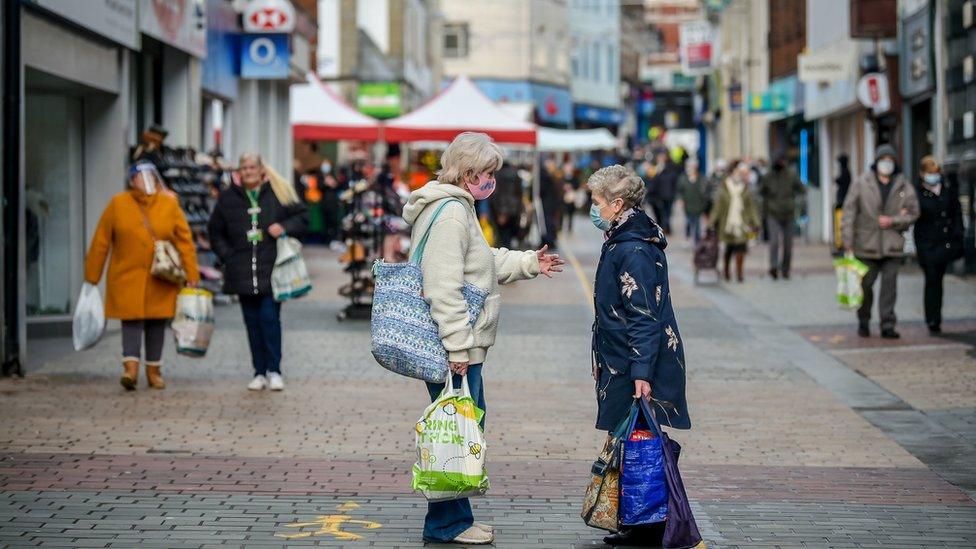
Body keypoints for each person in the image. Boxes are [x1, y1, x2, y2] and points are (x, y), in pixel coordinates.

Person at [402, 132, 565, 545]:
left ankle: (457, 518)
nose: (492, 180)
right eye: (488, 173)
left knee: (459, 427)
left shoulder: (455, 207)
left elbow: (480, 260)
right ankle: (447, 524)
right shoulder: (452, 213)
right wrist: (458, 345)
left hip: (458, 344)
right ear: (469, 171)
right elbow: (443, 285)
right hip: (455, 345)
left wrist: (529, 262)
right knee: (456, 430)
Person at [587, 165, 690, 547]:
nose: (592, 208)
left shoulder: (633, 248)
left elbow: (643, 314)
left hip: (634, 361)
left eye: (597, 201)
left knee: (640, 439)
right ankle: (638, 518)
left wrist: (641, 372)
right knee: (632, 437)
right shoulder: (622, 237)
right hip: (621, 358)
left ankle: (649, 522)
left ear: (616, 204)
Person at [84, 161, 200, 390]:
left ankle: (154, 371)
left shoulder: (169, 203)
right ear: (131, 180)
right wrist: (92, 277)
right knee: (131, 321)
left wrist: (192, 274)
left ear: (157, 179)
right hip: (126, 275)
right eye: (140, 176)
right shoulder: (118, 204)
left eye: (150, 176)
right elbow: (101, 240)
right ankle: (131, 369)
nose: (145, 181)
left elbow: (184, 240)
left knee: (157, 323)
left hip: (161, 276)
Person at [208, 153, 308, 391]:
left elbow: (303, 217)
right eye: (244, 167)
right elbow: (214, 231)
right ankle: (259, 371)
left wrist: (284, 227)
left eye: (252, 166)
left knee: (269, 319)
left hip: (271, 270)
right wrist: (227, 256)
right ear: (239, 171)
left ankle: (274, 370)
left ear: (262, 169)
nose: (248, 171)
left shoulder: (277, 192)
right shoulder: (228, 198)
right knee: (251, 323)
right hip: (240, 270)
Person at [841, 144, 919, 339]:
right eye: (883, 160)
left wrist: (894, 220)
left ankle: (888, 324)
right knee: (866, 286)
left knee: (889, 288)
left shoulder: (903, 185)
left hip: (892, 245)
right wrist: (847, 241)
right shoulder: (861, 182)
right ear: (876, 162)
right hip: (866, 244)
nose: (886, 164)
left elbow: (914, 211)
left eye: (890, 161)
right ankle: (864, 320)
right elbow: (849, 212)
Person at [912, 156, 964, 334]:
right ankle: (932, 318)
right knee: (932, 279)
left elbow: (956, 212)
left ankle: (936, 316)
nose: (933, 176)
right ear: (922, 174)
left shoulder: (947, 190)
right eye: (929, 173)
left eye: (935, 173)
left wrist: (958, 236)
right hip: (927, 245)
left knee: (938, 280)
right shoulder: (917, 193)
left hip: (944, 243)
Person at [709, 160, 760, 282]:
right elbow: (718, 207)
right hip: (726, 225)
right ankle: (726, 270)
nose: (740, 175)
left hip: (742, 224)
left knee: (741, 249)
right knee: (728, 250)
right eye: (737, 172)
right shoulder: (724, 188)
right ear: (732, 173)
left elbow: (751, 207)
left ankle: (740, 273)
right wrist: (711, 223)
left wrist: (756, 222)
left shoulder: (745, 189)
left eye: (741, 173)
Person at [760, 156, 806, 279]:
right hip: (772, 213)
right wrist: (764, 211)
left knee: (788, 245)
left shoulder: (791, 175)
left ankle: (785, 269)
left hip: (788, 214)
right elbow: (761, 193)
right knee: (774, 242)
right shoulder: (768, 177)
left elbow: (802, 189)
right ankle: (773, 267)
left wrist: (799, 206)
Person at [489, 163, 524, 249]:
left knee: (503, 236)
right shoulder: (516, 175)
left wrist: (501, 211)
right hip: (515, 209)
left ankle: (505, 254)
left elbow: (497, 195)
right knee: (511, 233)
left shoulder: (498, 175)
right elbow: (519, 193)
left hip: (502, 210)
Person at [646, 151, 680, 234]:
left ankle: (666, 228)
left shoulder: (670, 167)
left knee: (667, 213)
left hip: (668, 194)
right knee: (663, 213)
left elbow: (674, 180)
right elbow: (652, 180)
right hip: (660, 195)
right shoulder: (655, 168)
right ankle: (666, 228)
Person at [677, 159, 708, 243]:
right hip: (687, 204)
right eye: (689, 167)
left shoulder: (701, 178)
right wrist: (680, 199)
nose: (691, 168)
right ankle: (688, 234)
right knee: (689, 221)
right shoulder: (683, 178)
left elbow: (704, 191)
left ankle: (696, 241)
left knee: (697, 223)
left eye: (693, 167)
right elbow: (679, 190)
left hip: (698, 204)